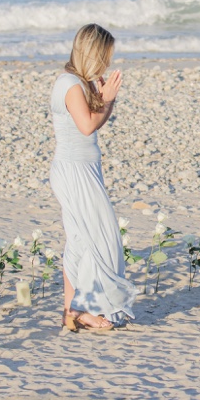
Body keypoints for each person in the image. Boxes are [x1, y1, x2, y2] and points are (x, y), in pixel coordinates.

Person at [50, 24, 137, 331]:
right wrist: (109, 99)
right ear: (93, 53)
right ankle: (85, 308)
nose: (107, 64)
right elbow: (88, 126)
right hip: (75, 171)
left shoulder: (78, 82)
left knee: (81, 239)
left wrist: (103, 98)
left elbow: (91, 123)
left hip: (83, 168)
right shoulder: (71, 84)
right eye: (105, 56)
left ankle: (72, 311)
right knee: (100, 238)